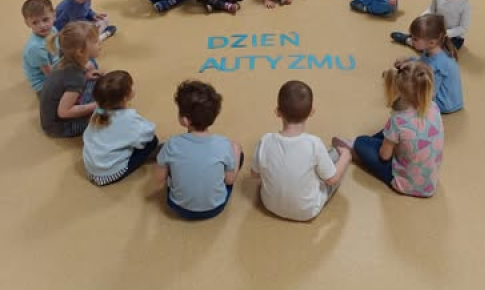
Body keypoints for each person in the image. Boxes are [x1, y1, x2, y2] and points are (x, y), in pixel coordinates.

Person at [333, 61, 443, 197]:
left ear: (398, 90)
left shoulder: (398, 120)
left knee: (361, 142)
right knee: (388, 133)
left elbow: (384, 156)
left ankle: (353, 149)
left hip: (405, 184)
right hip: (430, 182)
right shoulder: (434, 107)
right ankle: (372, 143)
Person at [250, 80, 351, 221]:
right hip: (307, 211)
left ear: (278, 112)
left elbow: (254, 174)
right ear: (312, 111)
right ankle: (343, 154)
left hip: (269, 204)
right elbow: (331, 179)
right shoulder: (314, 143)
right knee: (334, 158)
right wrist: (346, 157)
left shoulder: (265, 140)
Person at [155, 81, 243, 220]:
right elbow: (229, 181)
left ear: (185, 120)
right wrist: (236, 150)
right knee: (236, 150)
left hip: (178, 207)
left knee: (170, 160)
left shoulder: (172, 144)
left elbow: (159, 179)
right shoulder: (224, 144)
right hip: (215, 207)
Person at [83, 70, 158, 186]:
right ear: (125, 98)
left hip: (91, 168)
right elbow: (148, 133)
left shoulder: (98, 112)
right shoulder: (128, 118)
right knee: (153, 141)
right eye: (131, 87)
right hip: (109, 174)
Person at [39, 21, 101, 137]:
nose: (100, 43)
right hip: (60, 127)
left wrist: (86, 75)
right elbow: (64, 112)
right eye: (96, 42)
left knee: (95, 77)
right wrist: (96, 105)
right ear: (80, 52)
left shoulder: (64, 60)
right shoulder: (75, 77)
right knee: (103, 118)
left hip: (55, 114)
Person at [395, 14, 463, 114]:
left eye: (415, 39)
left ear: (431, 42)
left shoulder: (437, 66)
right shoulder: (431, 50)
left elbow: (429, 93)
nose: (411, 40)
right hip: (440, 93)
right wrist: (408, 61)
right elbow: (423, 61)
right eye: (411, 36)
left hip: (444, 103)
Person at [21, 0, 59, 93]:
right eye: (35, 23)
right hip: (44, 84)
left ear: (54, 15)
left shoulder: (53, 29)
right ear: (27, 23)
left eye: (45, 19)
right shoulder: (36, 48)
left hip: (56, 66)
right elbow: (50, 75)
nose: (42, 25)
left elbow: (60, 48)